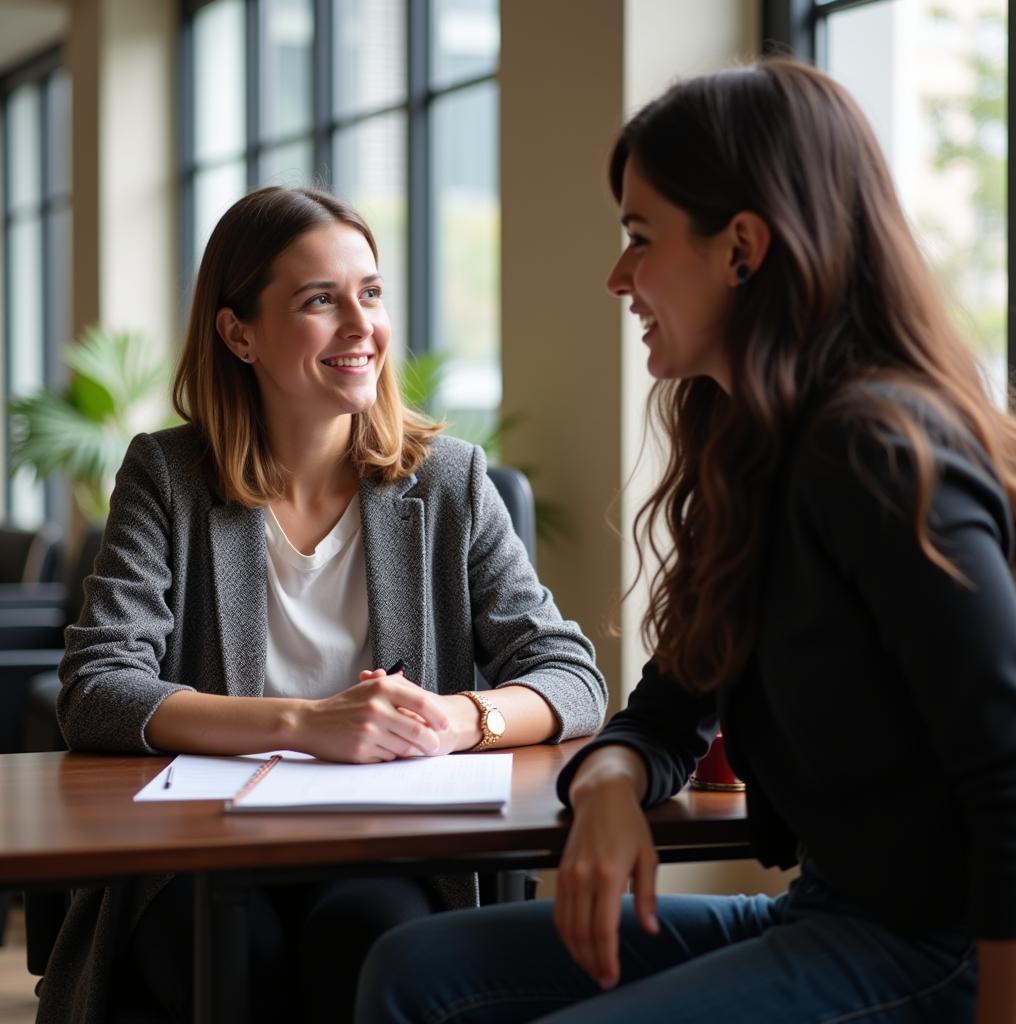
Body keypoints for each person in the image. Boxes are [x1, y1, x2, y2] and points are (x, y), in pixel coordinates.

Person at [354, 58, 1016, 1023]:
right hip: (828, 914)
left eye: (639, 237)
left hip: (933, 949)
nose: (617, 276)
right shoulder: (752, 450)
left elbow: (1009, 772)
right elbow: (669, 712)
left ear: (742, 247)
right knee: (412, 973)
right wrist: (614, 783)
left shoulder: (873, 447)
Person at [36, 185, 607, 1024]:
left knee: (370, 940)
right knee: (234, 953)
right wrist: (305, 725)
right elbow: (97, 689)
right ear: (238, 333)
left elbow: (570, 675)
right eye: (319, 301)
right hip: (202, 848)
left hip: (385, 843)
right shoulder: (169, 478)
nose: (361, 326)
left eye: (370, 294)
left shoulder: (449, 482)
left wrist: (456, 720)